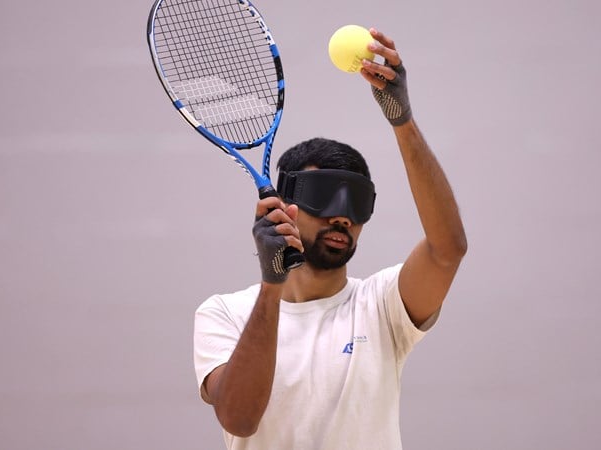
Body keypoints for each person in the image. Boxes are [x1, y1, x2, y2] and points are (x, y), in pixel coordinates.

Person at [193, 28, 467, 450]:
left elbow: (448, 249)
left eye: (357, 203)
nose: (342, 216)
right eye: (324, 198)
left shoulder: (382, 305)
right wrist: (272, 283)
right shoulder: (224, 313)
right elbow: (241, 419)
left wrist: (402, 119)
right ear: (285, 207)